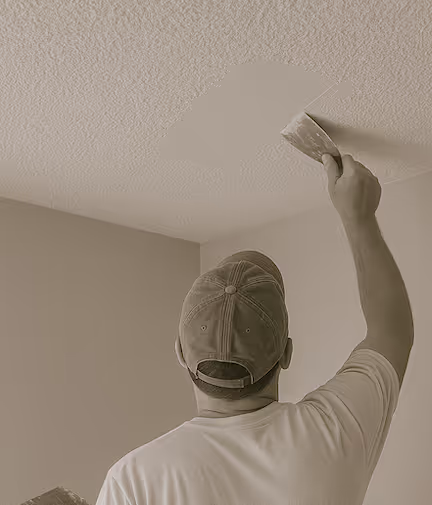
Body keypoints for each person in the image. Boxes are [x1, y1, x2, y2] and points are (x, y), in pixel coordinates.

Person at [96, 154, 414, 505]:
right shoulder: (332, 432)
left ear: (180, 353)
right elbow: (392, 329)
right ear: (287, 354)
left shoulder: (133, 481)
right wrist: (358, 217)